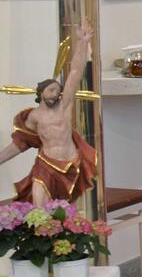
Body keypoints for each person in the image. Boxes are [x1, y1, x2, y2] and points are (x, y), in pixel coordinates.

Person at [0, 25, 98, 207]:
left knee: (68, 211)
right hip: (46, 163)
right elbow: (21, 142)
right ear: (41, 93)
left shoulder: (64, 106)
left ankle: (65, 235)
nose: (55, 94)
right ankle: (40, 233)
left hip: (70, 163)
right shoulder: (33, 117)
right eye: (51, 90)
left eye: (58, 91)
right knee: (38, 205)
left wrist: (83, 43)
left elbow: (75, 72)